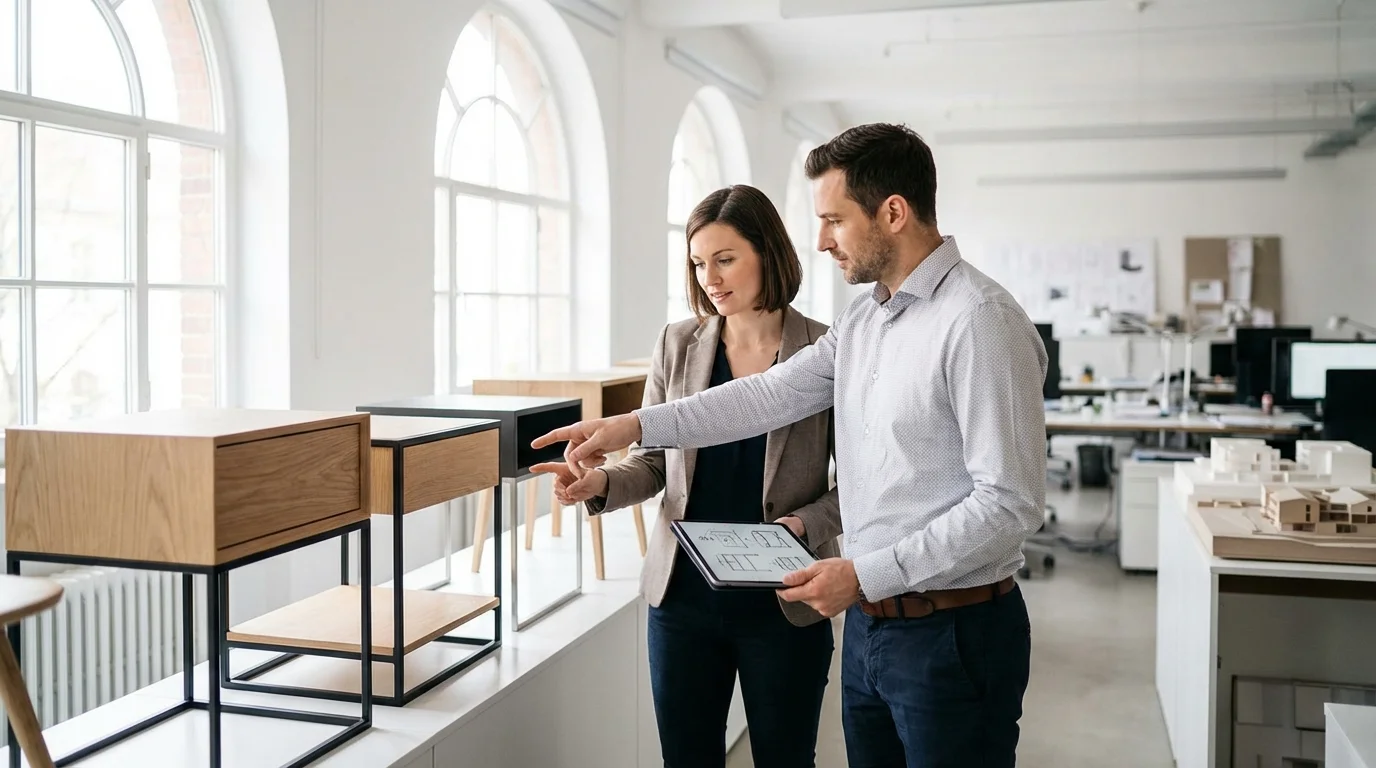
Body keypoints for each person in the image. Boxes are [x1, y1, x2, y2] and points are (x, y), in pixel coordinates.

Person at [532, 123, 1048, 768]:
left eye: (834, 219)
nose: (823, 239)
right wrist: (634, 427)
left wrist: (861, 572)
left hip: (952, 630)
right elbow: (766, 397)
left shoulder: (979, 322)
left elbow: (1009, 503)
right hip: (869, 625)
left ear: (893, 212)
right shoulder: (869, 317)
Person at [532, 184, 844, 768]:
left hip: (784, 597)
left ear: (768, 253)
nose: (710, 278)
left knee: (787, 757)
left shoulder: (826, 350)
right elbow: (653, 465)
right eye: (699, 263)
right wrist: (598, 486)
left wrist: (807, 523)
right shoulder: (677, 343)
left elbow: (856, 483)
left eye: (725, 259)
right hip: (682, 598)